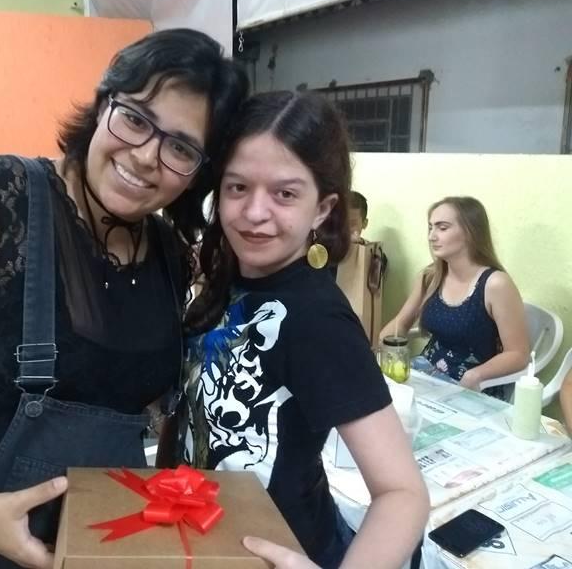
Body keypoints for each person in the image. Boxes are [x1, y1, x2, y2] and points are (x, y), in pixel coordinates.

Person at [0, 28, 248, 569]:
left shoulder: (170, 258)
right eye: (135, 119)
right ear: (103, 105)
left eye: (180, 147)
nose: (147, 156)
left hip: (69, 553)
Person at [182, 91, 429, 569]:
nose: (255, 212)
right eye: (238, 187)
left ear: (322, 209)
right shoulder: (229, 280)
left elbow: (403, 493)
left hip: (287, 548)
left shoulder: (318, 318)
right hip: (207, 537)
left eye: (285, 194)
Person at [380, 197, 530, 400]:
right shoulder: (430, 277)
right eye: (430, 228)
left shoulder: (495, 284)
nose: (432, 236)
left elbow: (518, 354)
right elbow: (401, 323)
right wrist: (377, 350)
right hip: (424, 373)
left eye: (442, 228)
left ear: (470, 232)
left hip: (475, 386)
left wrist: (475, 375)